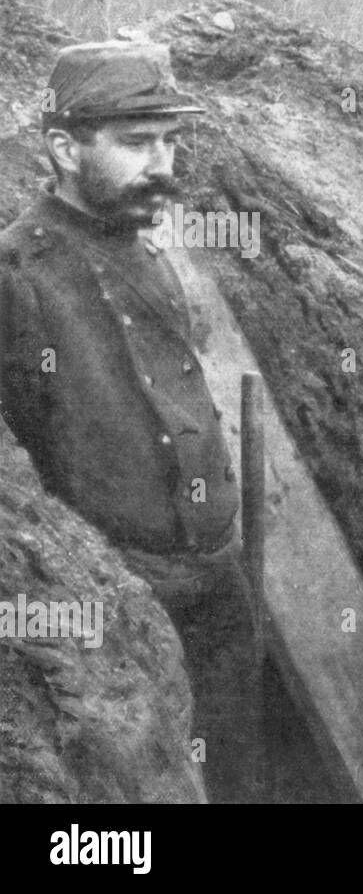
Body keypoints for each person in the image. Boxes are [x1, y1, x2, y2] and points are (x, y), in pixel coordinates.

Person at [0, 41, 256, 801]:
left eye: (170, 141)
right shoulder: (17, 275)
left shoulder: (150, 252)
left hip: (217, 577)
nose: (163, 164)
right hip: (122, 601)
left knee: (237, 775)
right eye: (138, 143)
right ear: (63, 148)